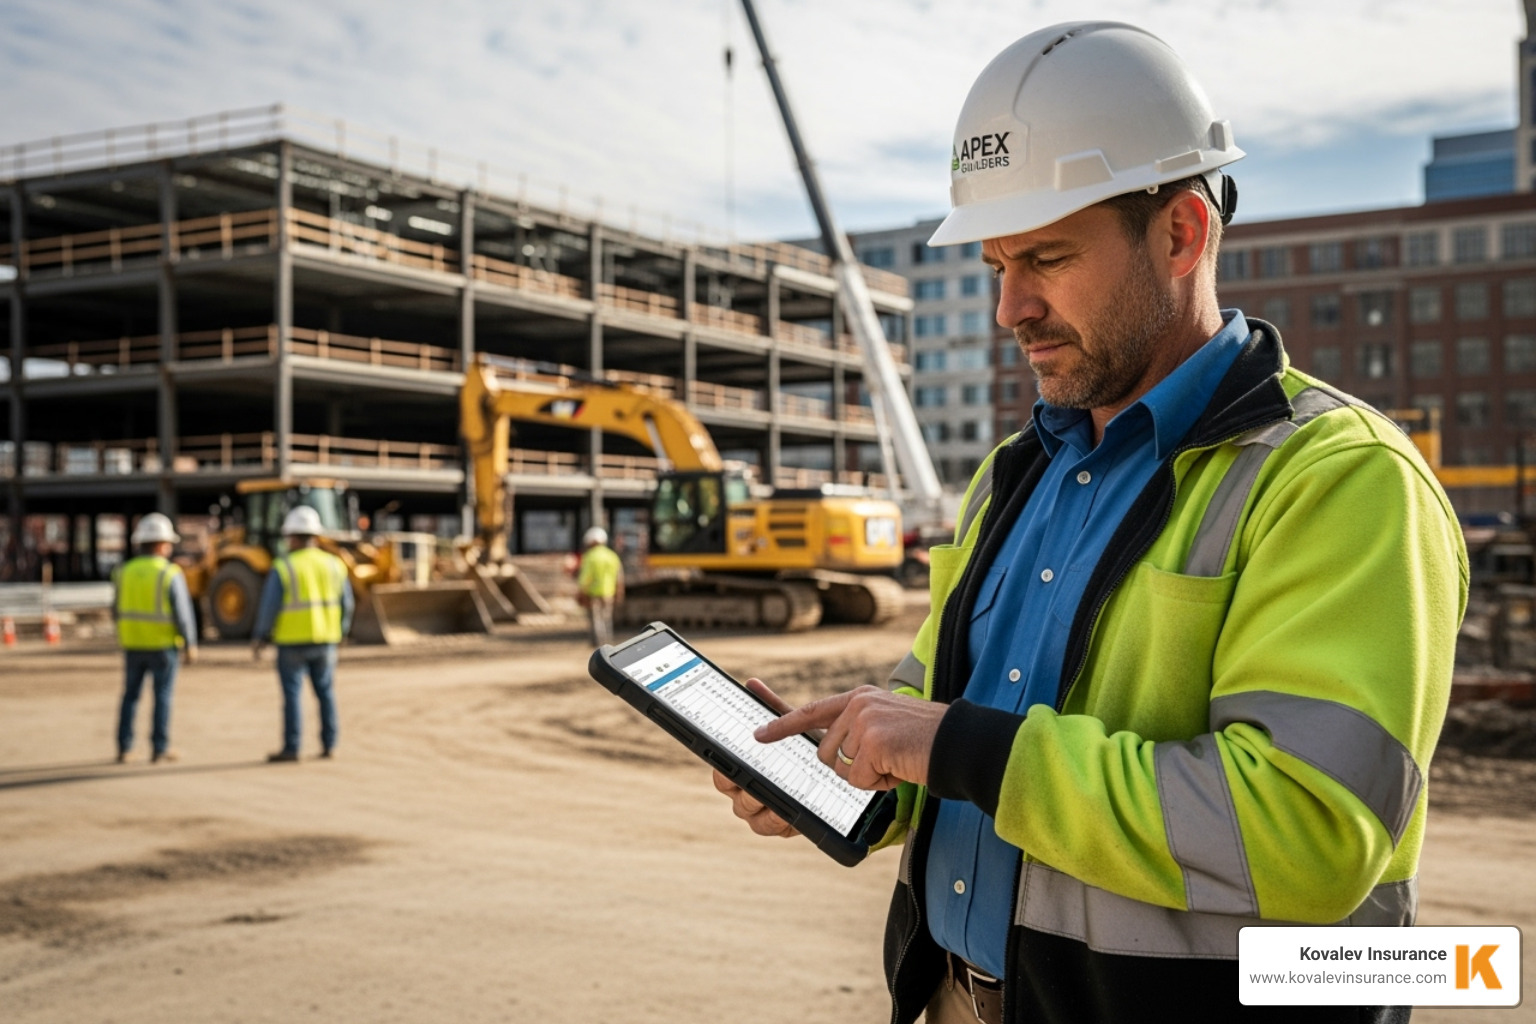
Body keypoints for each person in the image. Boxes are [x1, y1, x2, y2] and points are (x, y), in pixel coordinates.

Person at [713, 21, 1467, 1024]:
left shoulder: (1336, 480)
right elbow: (939, 703)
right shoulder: (1013, 474)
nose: (1009, 307)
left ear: (1182, 233)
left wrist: (956, 748)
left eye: (1049, 258)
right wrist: (851, 771)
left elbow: (1305, 830)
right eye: (994, 266)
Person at [251, 505, 354, 763]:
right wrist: (341, 631)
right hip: (326, 640)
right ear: (315, 536)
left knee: (292, 697)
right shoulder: (334, 565)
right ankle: (330, 744)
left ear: (293, 537)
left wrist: (261, 636)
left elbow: (269, 607)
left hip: (291, 643)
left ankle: (292, 748)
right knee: (326, 693)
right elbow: (347, 604)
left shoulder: (284, 567)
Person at [112, 511, 198, 764]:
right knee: (162, 696)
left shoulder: (124, 571)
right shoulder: (169, 573)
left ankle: (124, 748)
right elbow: (183, 613)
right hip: (163, 646)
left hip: (133, 644)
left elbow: (115, 609)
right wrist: (190, 643)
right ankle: (159, 748)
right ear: (162, 544)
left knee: (130, 696)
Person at [577, 526, 624, 646]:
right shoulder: (612, 556)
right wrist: (619, 592)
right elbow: (619, 577)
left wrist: (582, 592)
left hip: (594, 593)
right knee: (607, 619)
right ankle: (608, 641)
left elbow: (585, 578)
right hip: (609, 592)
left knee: (597, 620)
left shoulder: (590, 556)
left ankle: (599, 644)